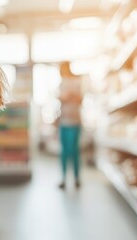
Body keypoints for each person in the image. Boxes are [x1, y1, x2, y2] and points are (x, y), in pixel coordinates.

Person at [57, 61, 82, 189]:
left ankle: (77, 178)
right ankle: (64, 178)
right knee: (64, 152)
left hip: (75, 122)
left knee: (74, 151)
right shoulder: (61, 83)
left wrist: (69, 96)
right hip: (64, 121)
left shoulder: (76, 82)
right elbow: (60, 98)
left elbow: (80, 98)